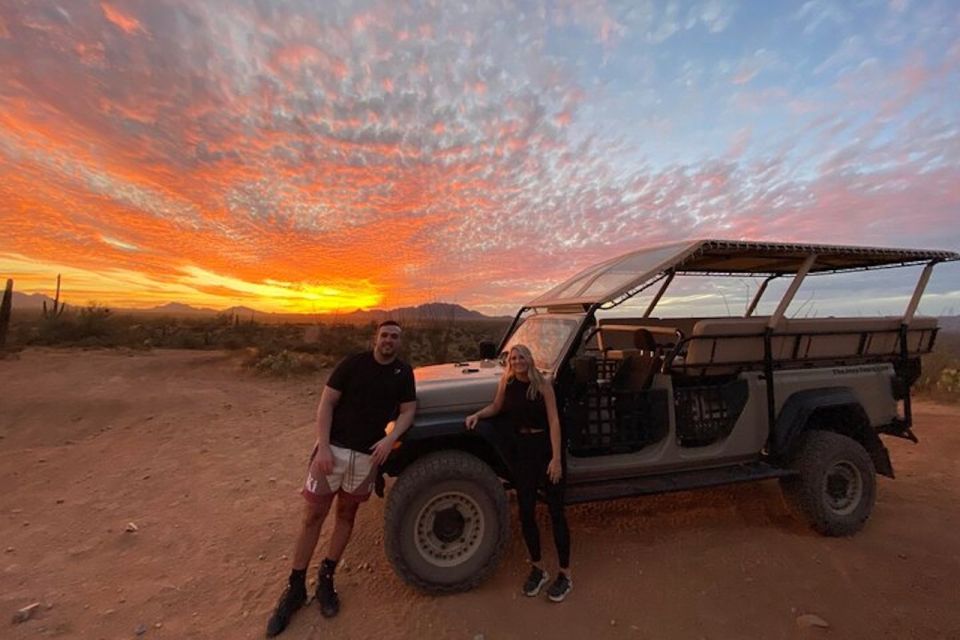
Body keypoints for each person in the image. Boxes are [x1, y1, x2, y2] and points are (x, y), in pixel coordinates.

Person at [266, 320, 417, 637]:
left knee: (346, 515)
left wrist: (390, 440)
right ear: (375, 337)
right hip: (331, 452)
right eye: (385, 335)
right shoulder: (352, 364)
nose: (389, 340)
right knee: (313, 516)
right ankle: (295, 588)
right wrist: (322, 446)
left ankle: (326, 578)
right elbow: (326, 404)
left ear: (399, 342)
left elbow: (408, 410)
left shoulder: (403, 373)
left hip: (365, 457)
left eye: (395, 337)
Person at [465, 344, 572, 602]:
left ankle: (565, 574)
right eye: (513, 358)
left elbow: (554, 421)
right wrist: (477, 415)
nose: (517, 360)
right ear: (509, 362)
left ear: (529, 359)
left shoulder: (543, 384)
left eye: (521, 356)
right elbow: (496, 407)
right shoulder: (507, 383)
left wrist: (556, 459)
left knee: (556, 512)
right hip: (523, 453)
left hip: (545, 450)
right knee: (526, 513)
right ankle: (537, 568)